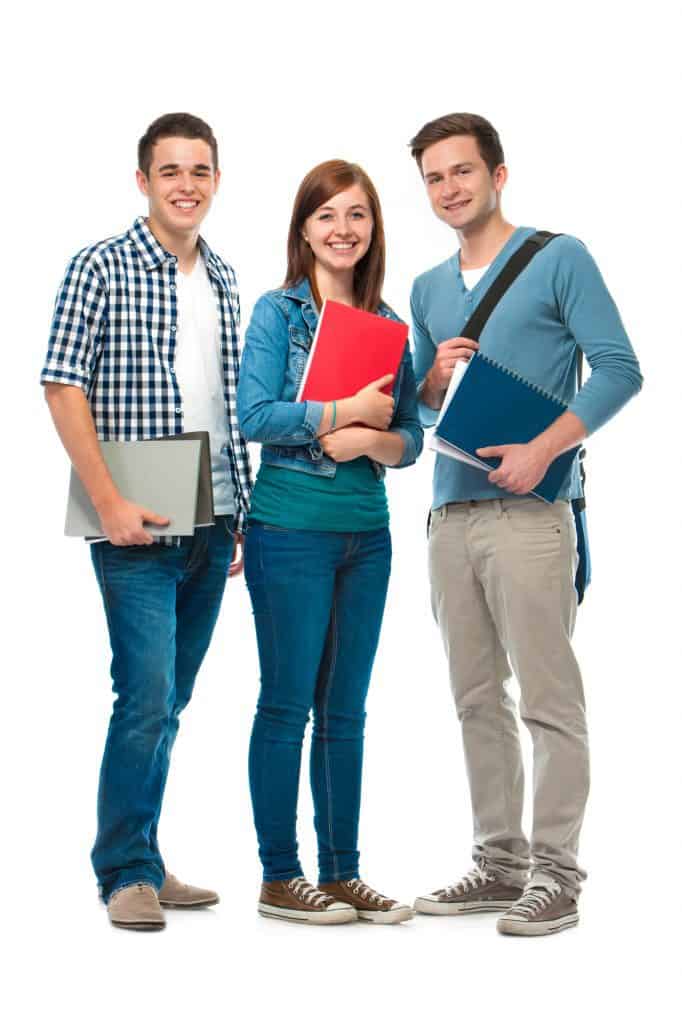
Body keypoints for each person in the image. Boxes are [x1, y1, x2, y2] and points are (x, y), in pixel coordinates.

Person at [408, 113, 642, 936]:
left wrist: (545, 449)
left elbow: (619, 368)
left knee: (548, 700)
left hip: (532, 513)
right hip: (449, 513)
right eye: (435, 177)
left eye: (463, 171)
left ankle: (558, 875)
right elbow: (421, 409)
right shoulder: (429, 289)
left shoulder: (559, 257)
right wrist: (430, 377)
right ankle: (499, 865)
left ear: (498, 175)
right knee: (475, 699)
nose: (450, 188)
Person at [41, 113, 252, 931]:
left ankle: (149, 859)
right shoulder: (100, 265)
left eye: (201, 170)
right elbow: (62, 385)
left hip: (215, 517)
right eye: (171, 171)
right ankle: (123, 870)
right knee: (145, 693)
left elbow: (227, 402)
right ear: (143, 182)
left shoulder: (228, 279)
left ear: (216, 181)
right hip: (134, 519)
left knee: (171, 700)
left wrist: (239, 510)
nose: (186, 185)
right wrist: (108, 502)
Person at [237, 159, 422, 925]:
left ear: (372, 229)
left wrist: (370, 444)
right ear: (303, 229)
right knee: (287, 706)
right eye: (327, 216)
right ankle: (282, 876)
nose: (343, 230)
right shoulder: (278, 314)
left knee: (346, 710)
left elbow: (410, 436)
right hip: (289, 532)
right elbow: (255, 415)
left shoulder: (386, 325)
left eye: (357, 216)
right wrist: (337, 414)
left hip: (366, 538)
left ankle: (342, 873)